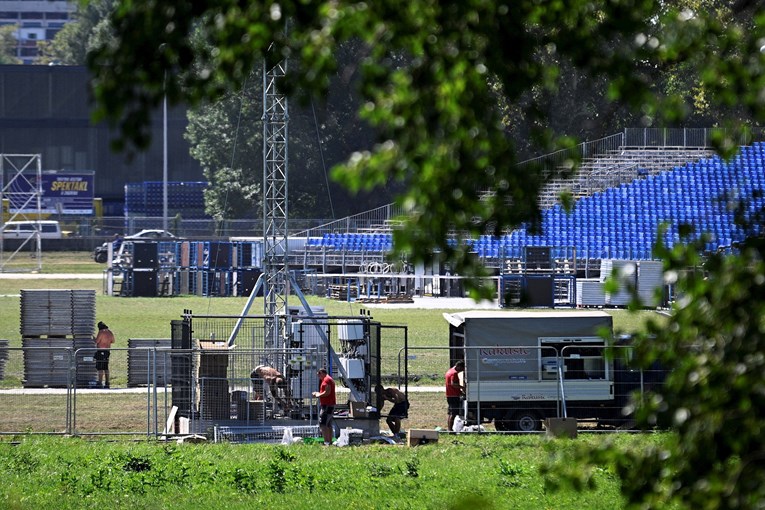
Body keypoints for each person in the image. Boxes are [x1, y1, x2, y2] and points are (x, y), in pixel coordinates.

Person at [312, 368, 336, 445]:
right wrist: (318, 393)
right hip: (330, 404)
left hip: (327, 405)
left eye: (319, 375)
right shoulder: (329, 379)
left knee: (322, 424)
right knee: (328, 424)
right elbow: (325, 391)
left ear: (322, 373)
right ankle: (330, 442)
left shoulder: (326, 380)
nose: (319, 377)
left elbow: (327, 392)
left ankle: (326, 442)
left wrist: (318, 394)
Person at [94, 321, 115, 388]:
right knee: (106, 367)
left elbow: (97, 341)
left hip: (100, 351)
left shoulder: (101, 332)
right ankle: (107, 382)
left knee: (100, 367)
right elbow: (113, 341)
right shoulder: (110, 332)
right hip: (107, 351)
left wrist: (93, 338)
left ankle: (100, 382)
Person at [445, 360, 465, 431]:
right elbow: (453, 384)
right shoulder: (454, 373)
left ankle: (449, 429)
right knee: (453, 413)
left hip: (449, 395)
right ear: (458, 366)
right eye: (462, 369)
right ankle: (450, 430)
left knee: (451, 413)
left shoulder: (449, 371)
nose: (461, 371)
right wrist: (463, 387)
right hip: (454, 396)